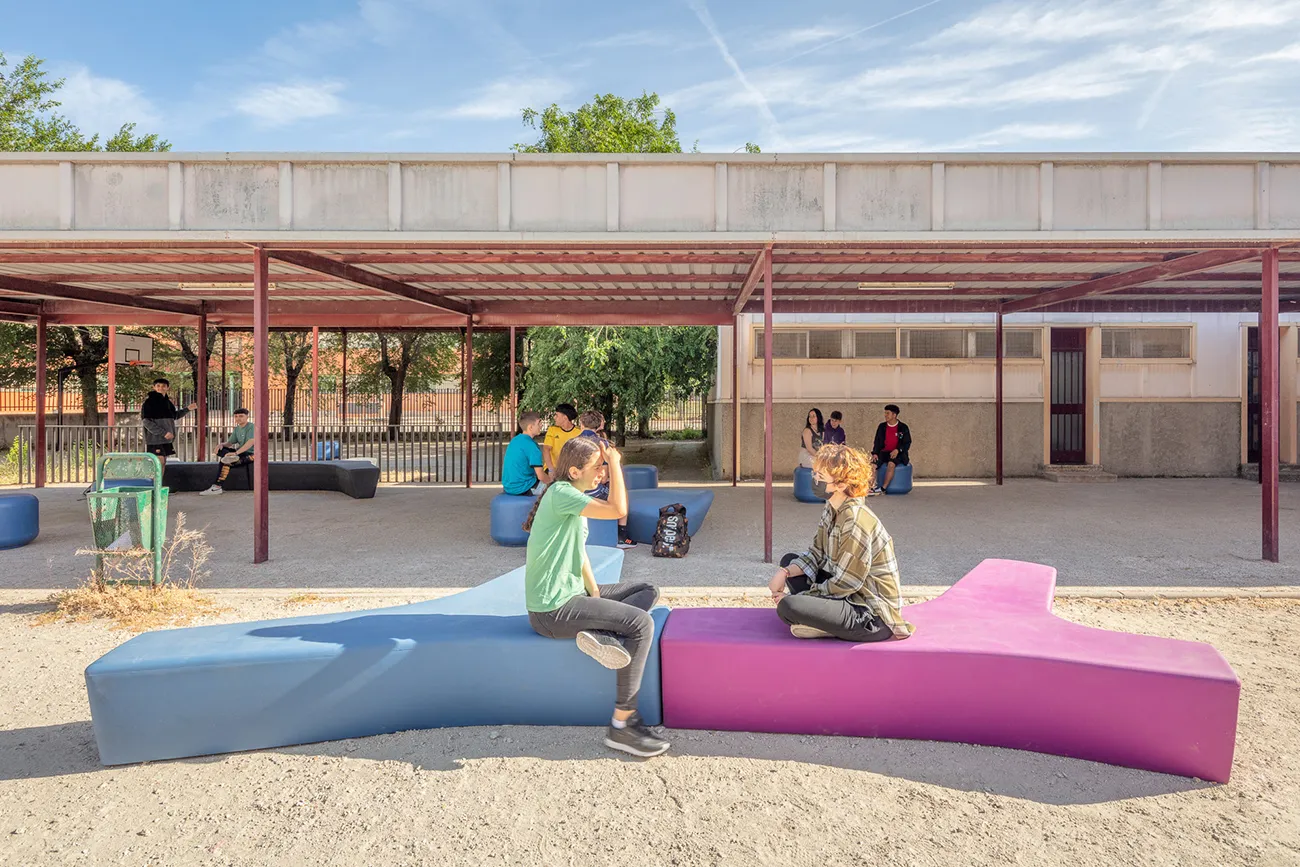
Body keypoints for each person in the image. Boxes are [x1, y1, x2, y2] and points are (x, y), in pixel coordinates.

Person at [522, 436, 669, 757]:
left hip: (572, 595)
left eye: (603, 466)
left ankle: (600, 634)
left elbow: (579, 554)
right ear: (575, 471)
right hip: (551, 610)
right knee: (641, 625)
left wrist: (597, 594)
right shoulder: (562, 494)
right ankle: (623, 724)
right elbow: (619, 510)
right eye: (597, 466)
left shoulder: (571, 495)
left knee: (647, 590)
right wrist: (615, 463)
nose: (601, 471)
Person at [767, 444, 914, 643]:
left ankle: (821, 625)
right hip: (848, 593)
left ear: (841, 484)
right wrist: (785, 572)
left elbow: (847, 583)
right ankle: (817, 620)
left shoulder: (855, 521)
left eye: (820, 476)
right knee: (790, 561)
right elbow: (816, 553)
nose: (814, 479)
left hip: (870, 613)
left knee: (789, 607)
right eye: (815, 473)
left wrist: (802, 598)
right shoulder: (832, 508)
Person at [577, 410, 635, 549]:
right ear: (600, 425)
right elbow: (603, 478)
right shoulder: (602, 444)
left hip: (575, 488)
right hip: (592, 490)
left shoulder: (572, 442)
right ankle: (622, 534)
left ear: (581, 424)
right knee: (622, 493)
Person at [140, 378, 196, 469]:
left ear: (167, 388)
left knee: (163, 463)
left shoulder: (168, 402)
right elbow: (146, 422)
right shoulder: (149, 402)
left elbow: (175, 415)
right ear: (154, 387)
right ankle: (154, 479)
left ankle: (160, 479)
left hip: (166, 439)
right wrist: (163, 433)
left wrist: (188, 409)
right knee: (159, 463)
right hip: (155, 439)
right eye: (158, 386)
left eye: (163, 386)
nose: (161, 388)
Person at [200, 408, 254, 495]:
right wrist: (221, 445)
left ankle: (217, 487)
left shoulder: (252, 427)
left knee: (225, 462)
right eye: (236, 416)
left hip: (252, 454)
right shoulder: (237, 429)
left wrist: (236, 453)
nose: (238, 418)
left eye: (241, 416)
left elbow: (250, 442)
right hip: (240, 453)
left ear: (247, 417)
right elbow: (230, 443)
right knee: (221, 450)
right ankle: (231, 458)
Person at [501, 411, 550, 496]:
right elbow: (541, 476)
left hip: (508, 487)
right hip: (524, 488)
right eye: (539, 423)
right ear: (530, 427)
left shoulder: (515, 440)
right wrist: (553, 483)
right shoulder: (532, 446)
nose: (541, 425)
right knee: (559, 489)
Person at [872, 404, 912, 492]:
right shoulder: (882, 426)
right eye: (885, 413)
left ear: (894, 415)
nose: (885, 415)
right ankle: (871, 487)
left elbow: (907, 443)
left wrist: (898, 450)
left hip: (898, 454)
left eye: (888, 413)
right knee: (873, 465)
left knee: (891, 464)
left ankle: (883, 488)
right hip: (884, 452)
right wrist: (875, 453)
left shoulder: (903, 427)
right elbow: (877, 441)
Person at [542, 403, 581, 476]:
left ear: (565, 417)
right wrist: (551, 469)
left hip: (570, 470)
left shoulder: (579, 432)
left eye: (557, 415)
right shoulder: (552, 430)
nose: (554, 417)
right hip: (552, 468)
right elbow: (546, 449)